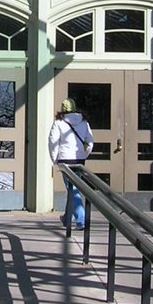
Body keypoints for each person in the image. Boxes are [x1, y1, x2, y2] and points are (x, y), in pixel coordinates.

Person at [48, 97, 94, 228]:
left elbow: (53, 142)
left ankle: (81, 219)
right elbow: (90, 141)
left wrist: (54, 158)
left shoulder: (58, 123)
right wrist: (85, 154)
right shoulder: (83, 122)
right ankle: (67, 218)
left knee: (72, 189)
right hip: (79, 160)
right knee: (73, 189)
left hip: (65, 160)